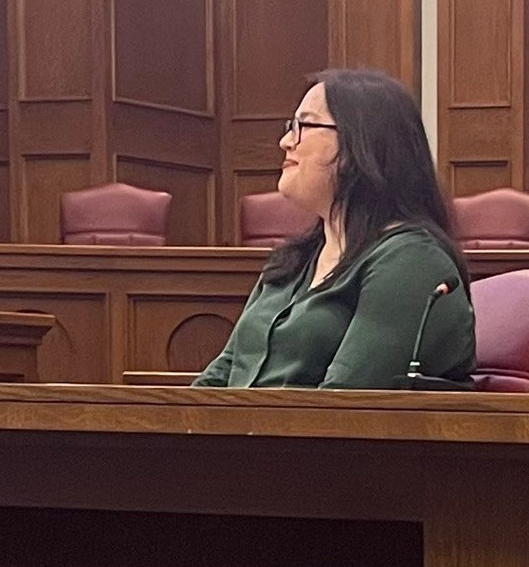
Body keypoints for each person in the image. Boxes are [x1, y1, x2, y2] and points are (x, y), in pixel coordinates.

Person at [195, 69, 474, 388]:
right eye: (290, 127)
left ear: (361, 143)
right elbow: (223, 375)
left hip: (307, 435)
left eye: (304, 125)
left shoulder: (410, 263)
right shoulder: (292, 261)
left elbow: (343, 405)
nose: (286, 141)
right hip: (248, 434)